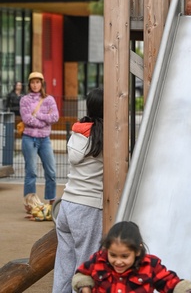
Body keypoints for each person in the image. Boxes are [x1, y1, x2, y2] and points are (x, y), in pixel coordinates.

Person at [52, 87, 104, 293]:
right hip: (88, 207)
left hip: (67, 205)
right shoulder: (103, 137)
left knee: (64, 266)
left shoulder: (77, 131)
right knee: (86, 268)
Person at [72, 221, 191, 293]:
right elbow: (82, 274)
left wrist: (182, 290)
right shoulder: (99, 260)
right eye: (113, 255)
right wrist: (85, 287)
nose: (118, 262)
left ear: (137, 251)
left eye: (125, 256)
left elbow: (170, 283)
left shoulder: (150, 265)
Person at [19, 71, 59, 204]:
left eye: (37, 82)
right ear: (29, 84)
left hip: (45, 139)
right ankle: (30, 202)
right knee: (31, 172)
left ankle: (51, 201)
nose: (35, 85)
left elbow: (55, 117)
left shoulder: (49, 99)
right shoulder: (24, 100)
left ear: (42, 83)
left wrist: (38, 116)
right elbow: (26, 118)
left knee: (51, 171)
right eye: (32, 82)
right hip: (28, 138)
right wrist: (44, 121)